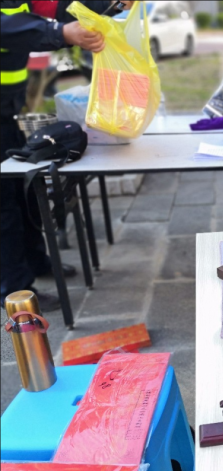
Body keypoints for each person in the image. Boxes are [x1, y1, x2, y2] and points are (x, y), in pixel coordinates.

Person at [1, 0, 134, 310]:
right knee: (3, 205)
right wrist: (60, 33)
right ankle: (15, 289)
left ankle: (34, 261)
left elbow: (57, 6)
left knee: (24, 191)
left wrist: (109, 5)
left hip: (6, 109)